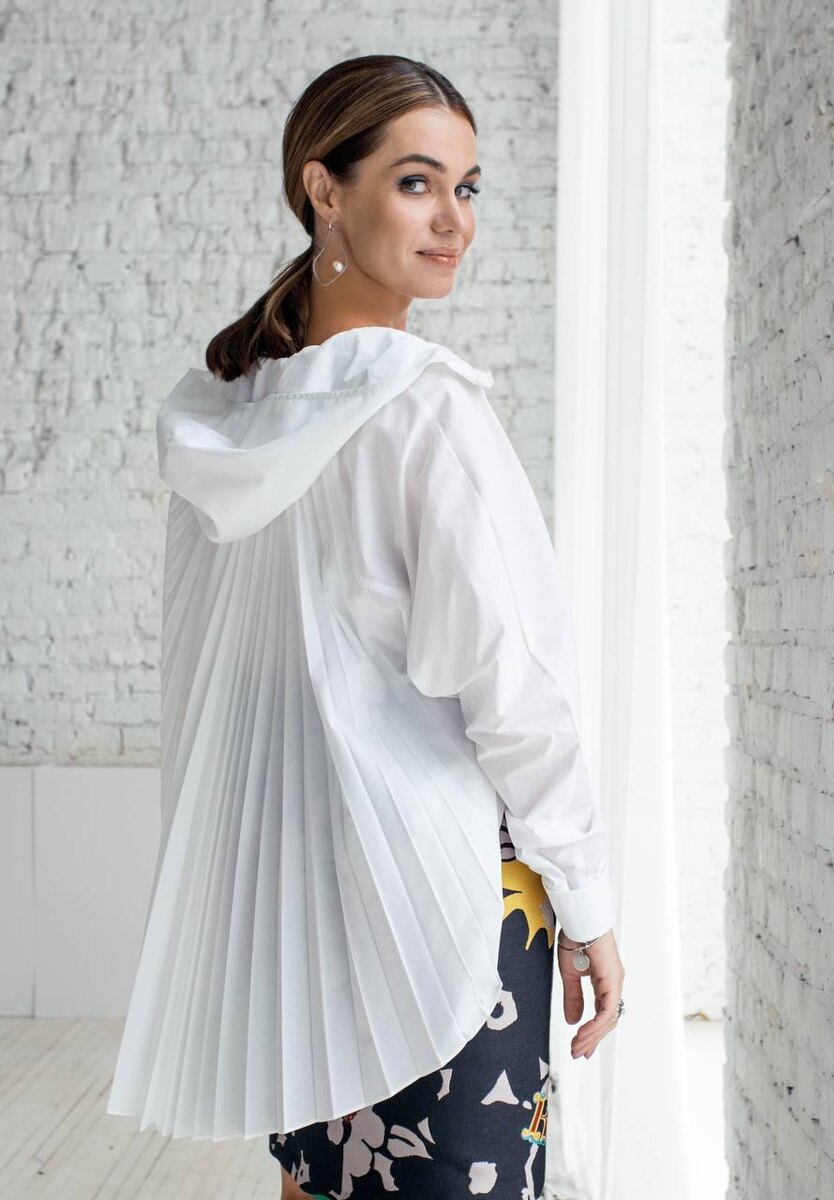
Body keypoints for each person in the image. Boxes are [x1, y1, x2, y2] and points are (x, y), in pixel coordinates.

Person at [104, 54, 625, 1200]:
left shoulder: (228, 416)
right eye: (417, 182)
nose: (455, 221)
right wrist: (588, 897)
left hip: (303, 901)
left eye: (468, 188)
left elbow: (230, 685)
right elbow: (515, 690)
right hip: (447, 901)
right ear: (324, 190)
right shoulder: (428, 408)